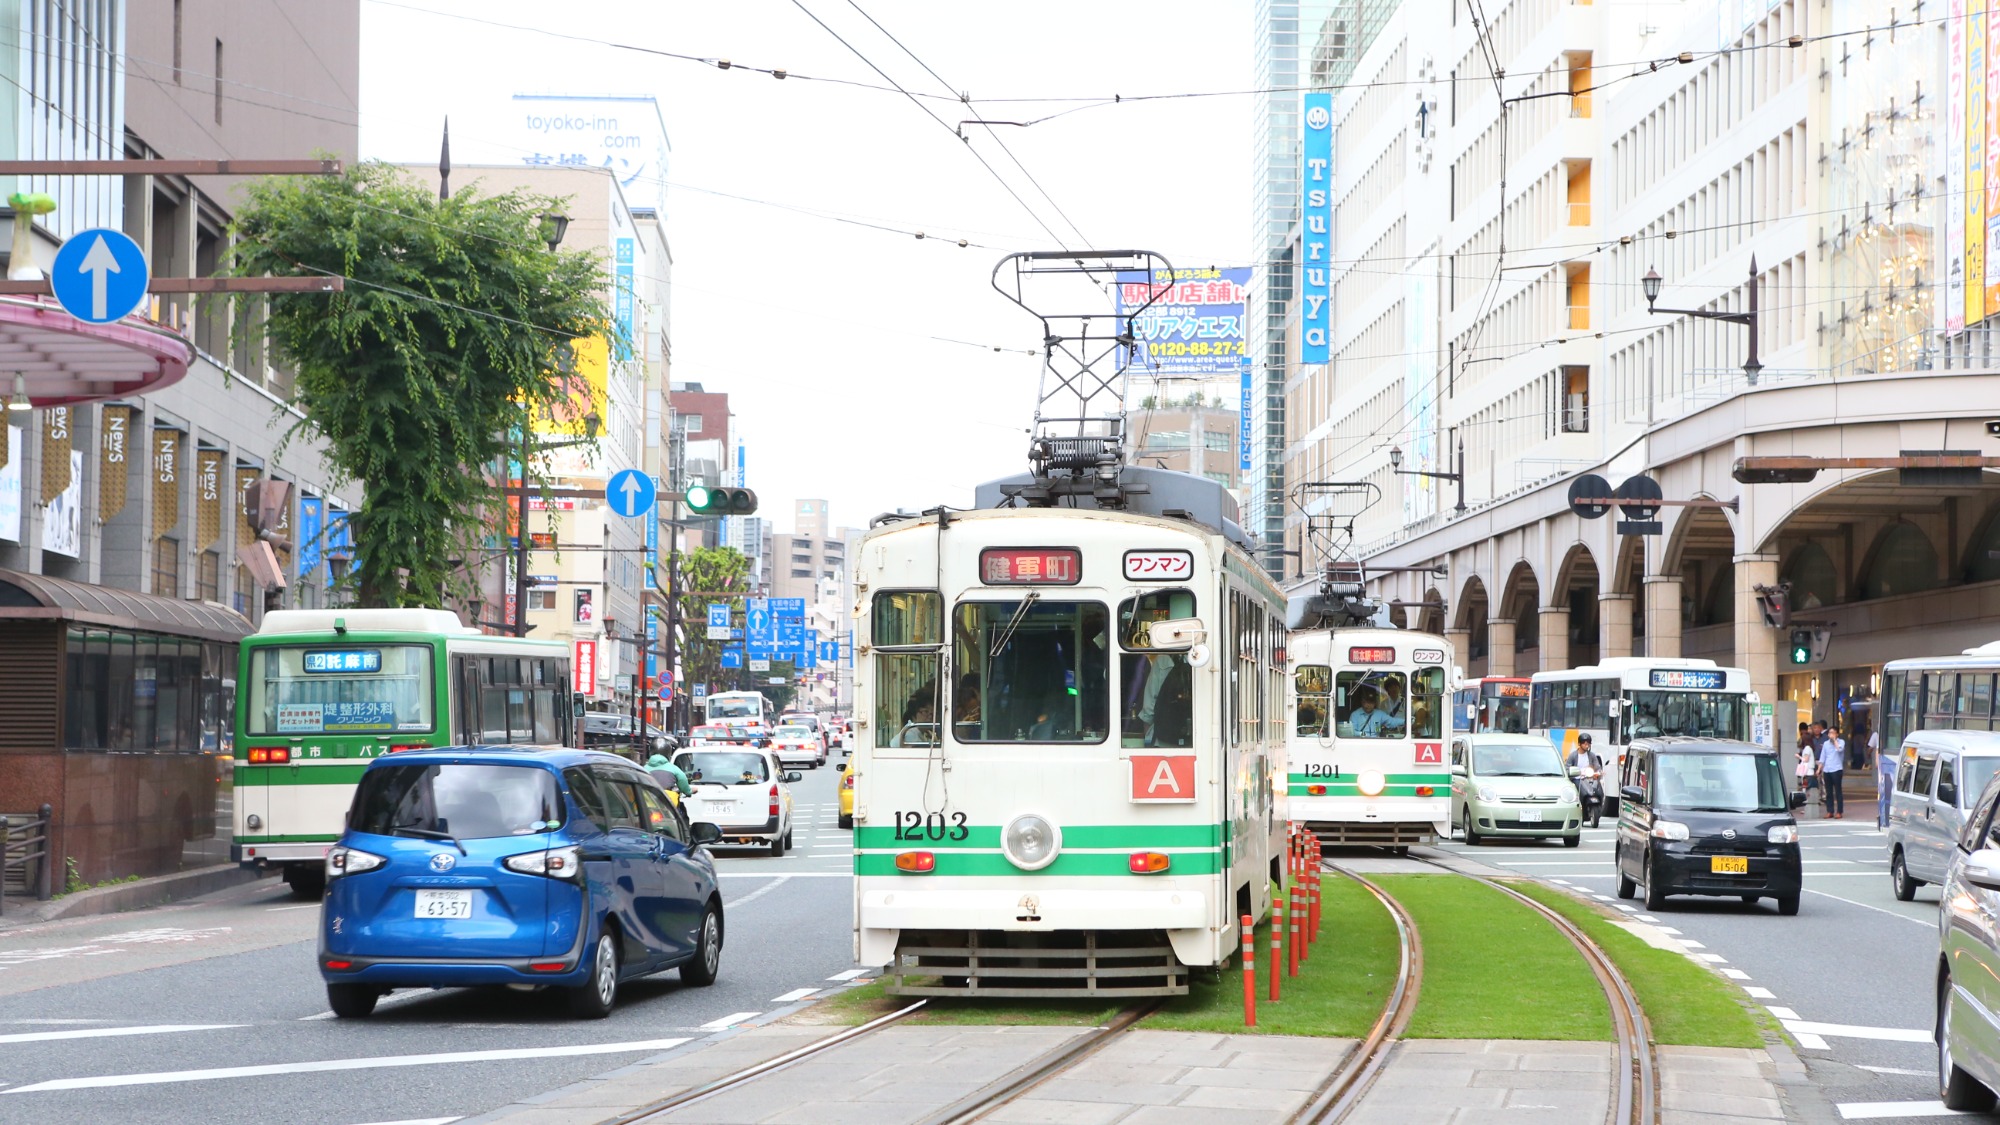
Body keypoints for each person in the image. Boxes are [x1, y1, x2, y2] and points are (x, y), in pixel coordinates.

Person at [1566, 734, 1606, 829]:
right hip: (1578, 779)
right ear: (1579, 744)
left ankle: (1599, 804)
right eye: (1584, 743)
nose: (1586, 745)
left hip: (1589, 778)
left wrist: (1599, 772)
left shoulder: (1591, 755)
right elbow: (1567, 767)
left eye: (1588, 743)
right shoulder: (1573, 755)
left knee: (1598, 788)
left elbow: (1597, 766)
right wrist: (1574, 772)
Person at [1816, 720, 1846, 819]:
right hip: (1827, 770)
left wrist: (1835, 741)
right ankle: (1830, 811)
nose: (1830, 734)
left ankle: (1839, 812)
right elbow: (1823, 757)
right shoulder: (1825, 744)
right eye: (1829, 733)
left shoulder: (1841, 742)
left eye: (1833, 733)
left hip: (1837, 769)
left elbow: (1839, 749)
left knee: (1838, 791)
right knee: (1828, 792)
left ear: (1837, 734)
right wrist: (1819, 768)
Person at [1872, 724, 1894, 829]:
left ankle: (1885, 817)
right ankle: (1884, 817)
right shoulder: (1880, 736)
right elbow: (1877, 749)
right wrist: (1878, 763)